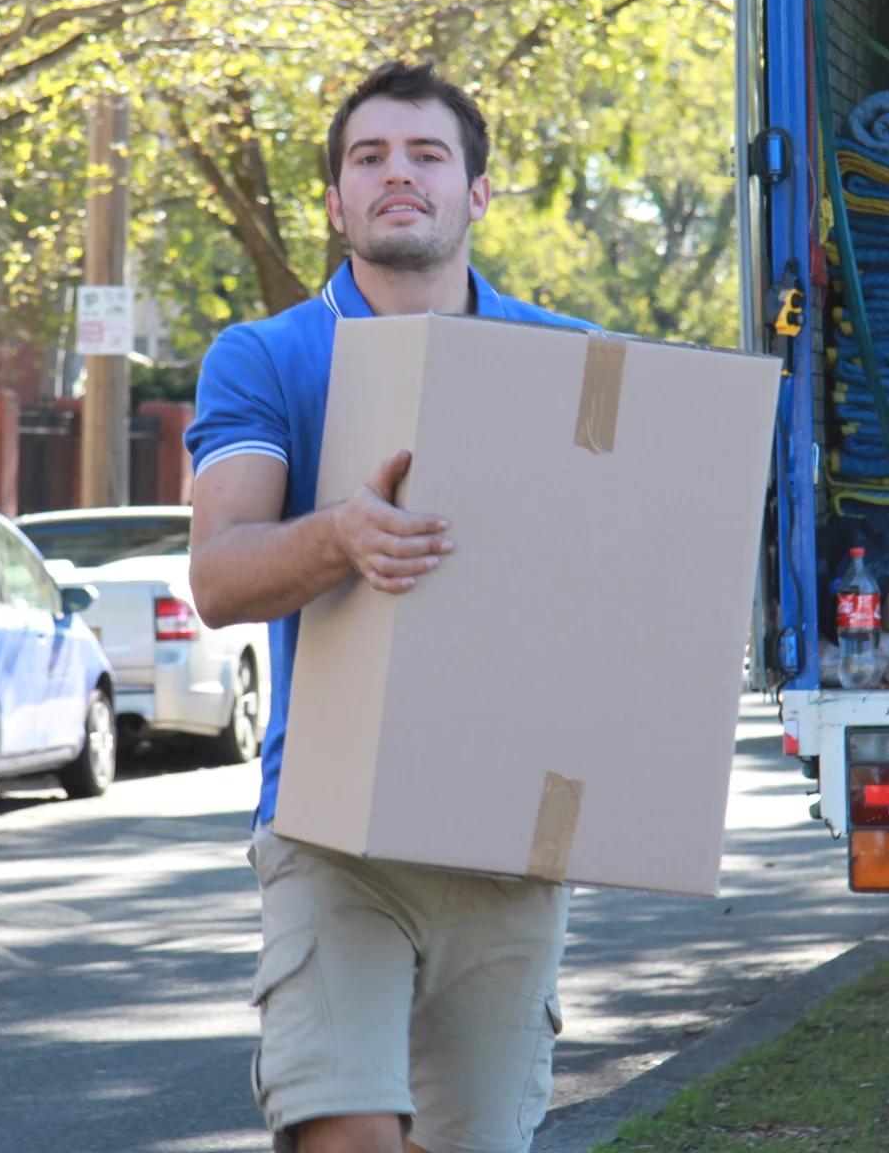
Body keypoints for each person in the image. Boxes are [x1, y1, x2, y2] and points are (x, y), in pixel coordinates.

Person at [184, 60, 596, 1153]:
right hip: (331, 829)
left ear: (478, 192)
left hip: (508, 834)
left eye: (426, 154)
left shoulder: (568, 362)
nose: (396, 174)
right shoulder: (268, 355)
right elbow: (219, 576)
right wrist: (339, 536)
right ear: (335, 202)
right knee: (346, 1135)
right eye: (368, 158)